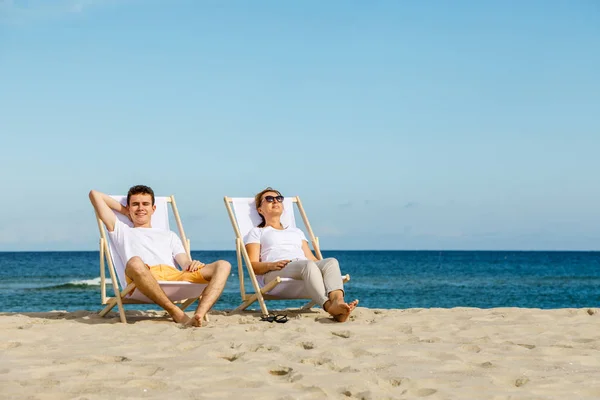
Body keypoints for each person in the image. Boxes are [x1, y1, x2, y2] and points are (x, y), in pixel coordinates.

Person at [89, 185, 231, 327]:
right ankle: (175, 311)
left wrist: (191, 263)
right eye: (135, 204)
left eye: (145, 204)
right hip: (142, 276)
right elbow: (95, 194)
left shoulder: (169, 235)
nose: (140, 208)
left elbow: (184, 262)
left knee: (224, 265)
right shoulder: (122, 230)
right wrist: (125, 211)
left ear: (153, 209)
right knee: (135, 261)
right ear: (128, 207)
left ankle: (199, 314)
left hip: (174, 276)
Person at [244, 187, 358, 322]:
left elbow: (311, 258)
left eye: (279, 198)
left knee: (331, 262)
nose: (275, 201)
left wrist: (324, 269)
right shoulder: (257, 232)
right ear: (260, 210)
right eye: (269, 199)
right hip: (276, 272)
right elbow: (253, 266)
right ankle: (328, 306)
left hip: (303, 268)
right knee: (308, 265)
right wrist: (271, 265)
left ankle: (338, 302)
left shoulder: (296, 232)